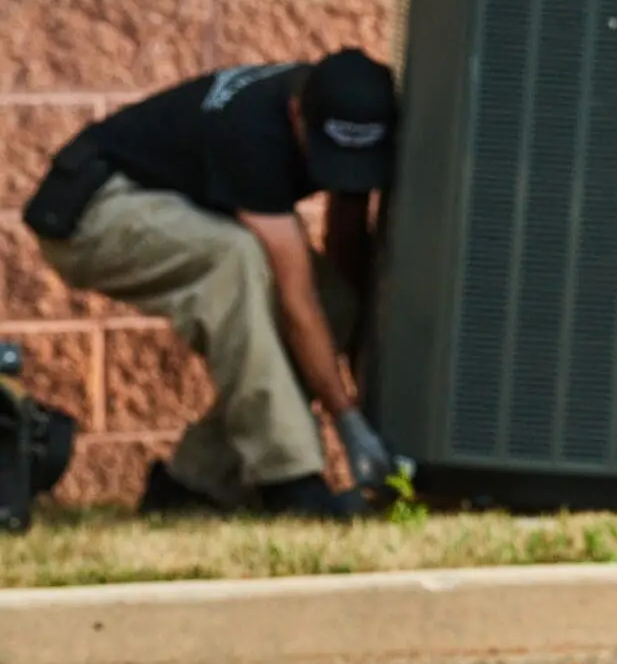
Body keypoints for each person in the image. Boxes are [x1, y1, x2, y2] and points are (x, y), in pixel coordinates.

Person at [19, 50, 402, 519]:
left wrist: (356, 340)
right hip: (92, 214)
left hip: (169, 201)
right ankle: (291, 483)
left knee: (333, 302)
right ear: (296, 114)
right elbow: (296, 304)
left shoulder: (336, 108)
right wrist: (347, 418)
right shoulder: (252, 134)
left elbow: (341, 247)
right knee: (234, 259)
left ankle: (192, 486)